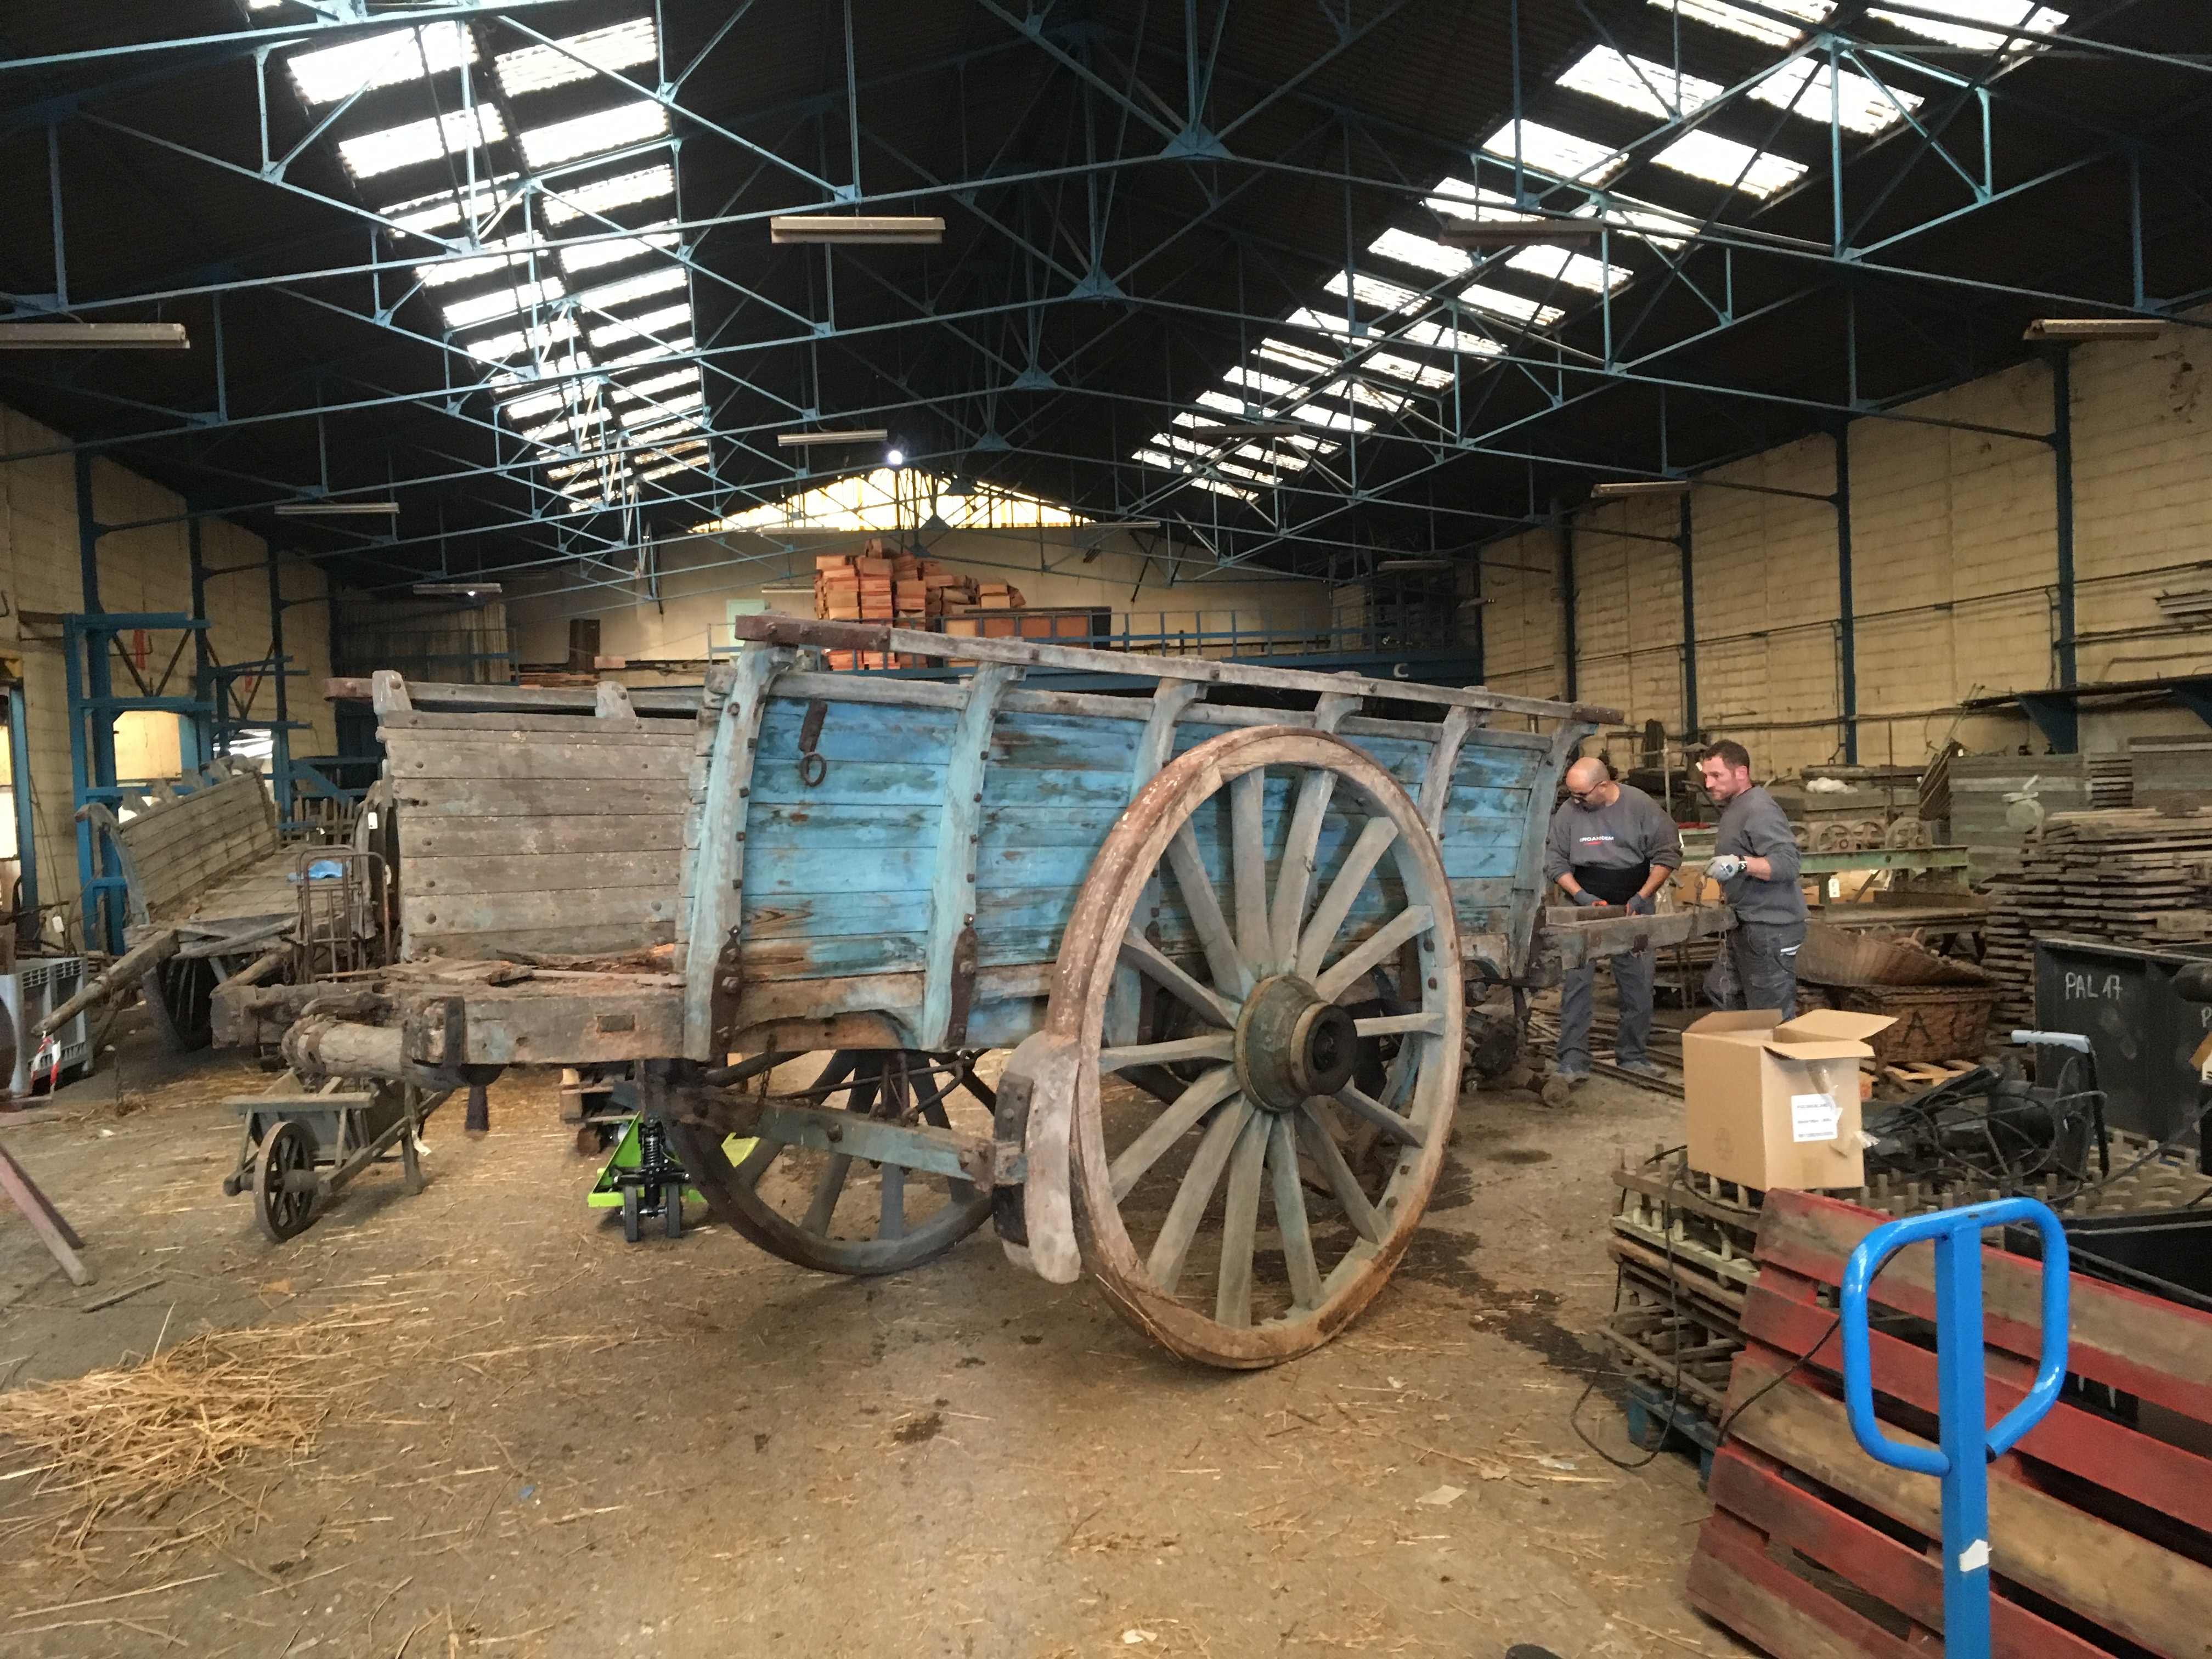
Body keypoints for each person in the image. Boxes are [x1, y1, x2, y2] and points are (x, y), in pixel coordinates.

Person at [1544, 757, 1681, 1086]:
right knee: (1577, 985)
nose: (1576, 801)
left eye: (1582, 795)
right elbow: (1555, 859)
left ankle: (1633, 1055)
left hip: (1632, 905)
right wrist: (1580, 896)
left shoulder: (1641, 807)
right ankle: (1573, 1058)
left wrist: (1642, 896)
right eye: (1572, 794)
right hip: (1582, 906)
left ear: (1603, 786)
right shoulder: (1569, 813)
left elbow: (1668, 853)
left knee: (1638, 985)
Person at [1697, 739, 1808, 1016]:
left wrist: (1740, 864)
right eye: (1706, 776)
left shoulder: (1759, 809)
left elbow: (1788, 863)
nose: (1709, 784)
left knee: (1770, 1013)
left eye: (1716, 776)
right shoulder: (1738, 807)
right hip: (1747, 923)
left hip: (1771, 928)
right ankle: (1747, 1041)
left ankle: (1773, 1043)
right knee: (1721, 990)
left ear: (1741, 773)